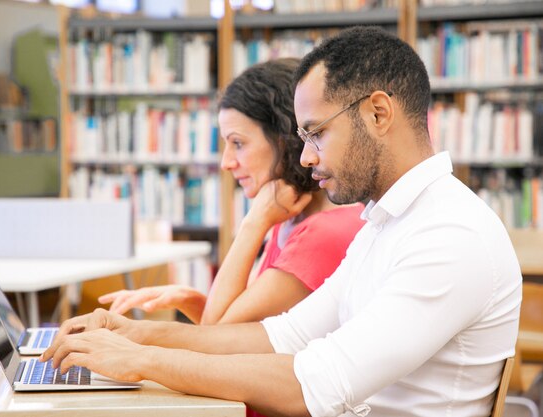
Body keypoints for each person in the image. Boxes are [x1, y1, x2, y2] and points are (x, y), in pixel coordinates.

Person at [41, 27, 522, 417]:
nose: (307, 157)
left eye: (316, 134)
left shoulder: (450, 235)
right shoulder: (386, 222)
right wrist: (137, 334)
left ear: (378, 112)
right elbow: (283, 336)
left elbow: (315, 385)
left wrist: (142, 360)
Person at [97, 58, 365, 325]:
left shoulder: (321, 233)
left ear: (286, 140)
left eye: (238, 143)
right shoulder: (289, 214)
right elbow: (236, 326)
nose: (226, 163)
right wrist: (188, 298)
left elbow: (217, 335)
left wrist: (253, 222)